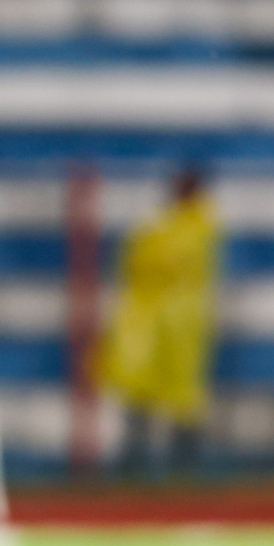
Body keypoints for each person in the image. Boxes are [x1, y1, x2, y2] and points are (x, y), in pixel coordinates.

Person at [100, 167, 220, 474]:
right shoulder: (162, 223)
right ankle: (134, 462)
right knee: (139, 392)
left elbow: (160, 260)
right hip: (148, 322)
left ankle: (184, 466)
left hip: (180, 325)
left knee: (183, 398)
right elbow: (134, 262)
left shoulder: (198, 224)